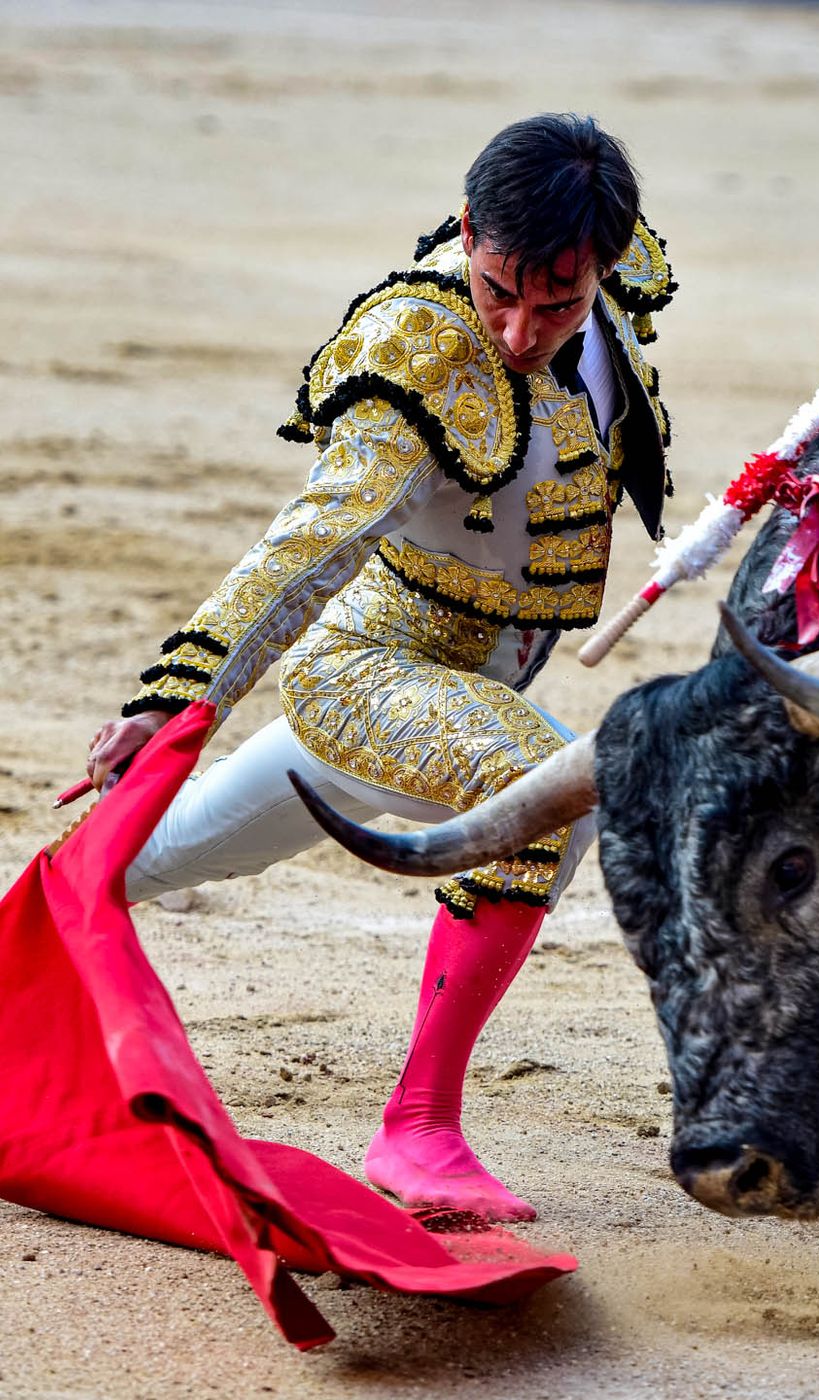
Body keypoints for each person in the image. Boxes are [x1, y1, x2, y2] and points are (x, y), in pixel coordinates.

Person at [84, 112, 676, 1222]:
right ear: (466, 232)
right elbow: (307, 546)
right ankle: (419, 1129)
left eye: (556, 301)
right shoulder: (416, 348)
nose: (518, 329)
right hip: (369, 666)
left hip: (458, 680)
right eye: (499, 288)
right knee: (542, 790)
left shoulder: (611, 276)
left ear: (605, 260)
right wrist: (179, 696)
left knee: (137, 862)